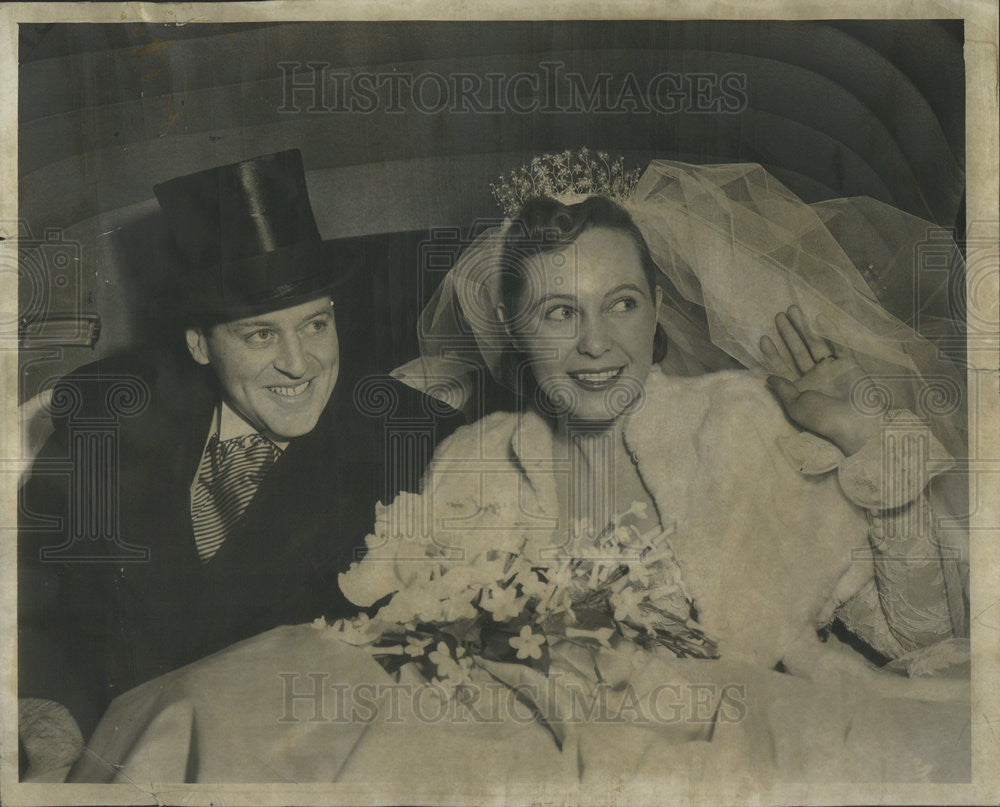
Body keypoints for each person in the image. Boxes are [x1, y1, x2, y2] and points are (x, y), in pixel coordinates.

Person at [70, 155, 970, 787]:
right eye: (557, 311)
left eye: (620, 304)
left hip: (744, 747)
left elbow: (916, 631)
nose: (594, 345)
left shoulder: (746, 429)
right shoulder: (473, 463)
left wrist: (862, 439)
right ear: (513, 324)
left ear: (657, 310)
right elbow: (412, 643)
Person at [17, 150, 462, 778]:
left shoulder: (415, 441)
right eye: (260, 335)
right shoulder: (104, 418)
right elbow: (34, 596)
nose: (300, 364)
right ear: (199, 344)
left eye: (315, 324)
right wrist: (47, 715)